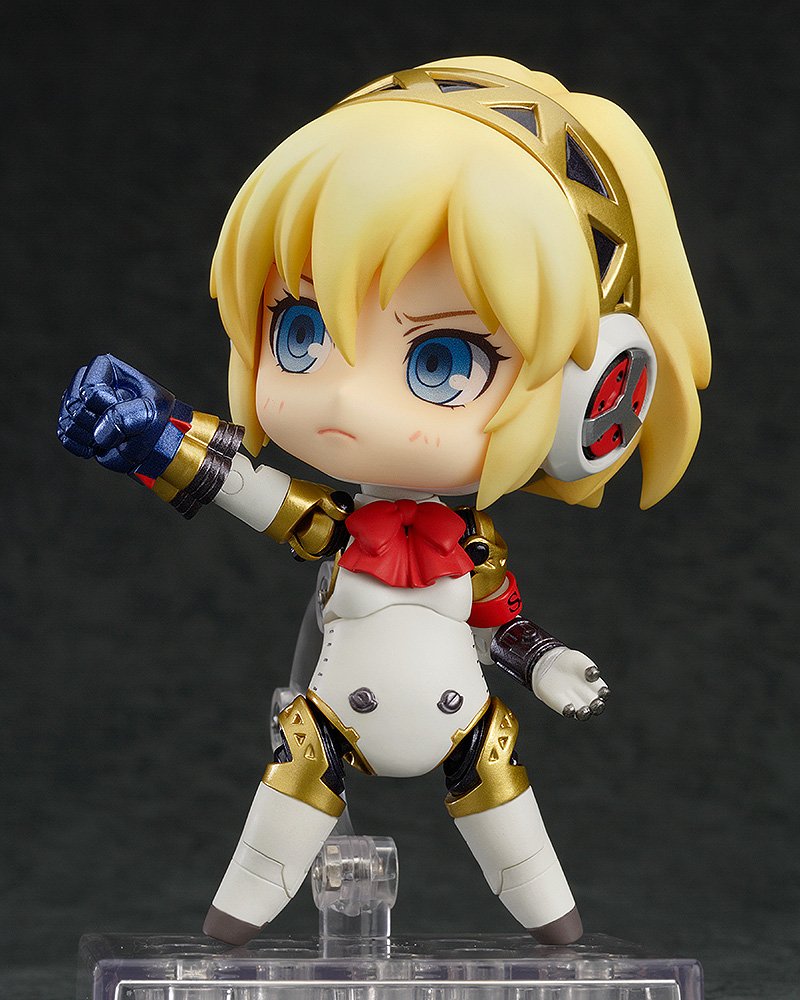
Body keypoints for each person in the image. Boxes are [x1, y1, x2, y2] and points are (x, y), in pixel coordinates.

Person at [57, 56, 710, 946]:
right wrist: (160, 438)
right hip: (330, 727)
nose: (342, 398)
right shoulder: (338, 527)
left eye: (440, 360)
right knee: (268, 848)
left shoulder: (472, 549)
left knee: (530, 867)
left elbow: (501, 626)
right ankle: (227, 933)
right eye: (300, 331)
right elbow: (247, 486)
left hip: (466, 729)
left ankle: (559, 933)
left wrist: (547, 663)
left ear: (589, 398)